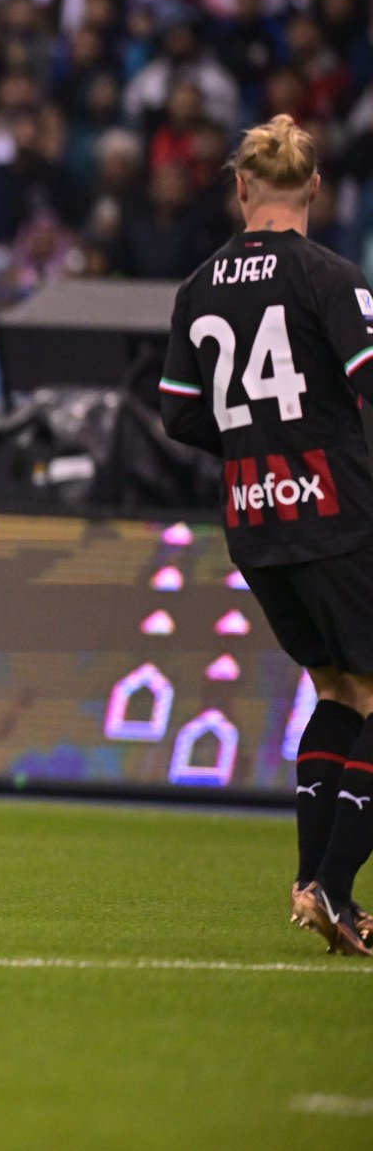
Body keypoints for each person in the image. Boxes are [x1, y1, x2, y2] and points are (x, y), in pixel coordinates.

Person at [157, 116, 373, 956]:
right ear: (315, 188)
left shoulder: (198, 287)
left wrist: (257, 450)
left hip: (254, 519)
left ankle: (316, 891)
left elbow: (180, 413)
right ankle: (334, 886)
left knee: (337, 692)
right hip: (336, 512)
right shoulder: (332, 275)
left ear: (241, 188)